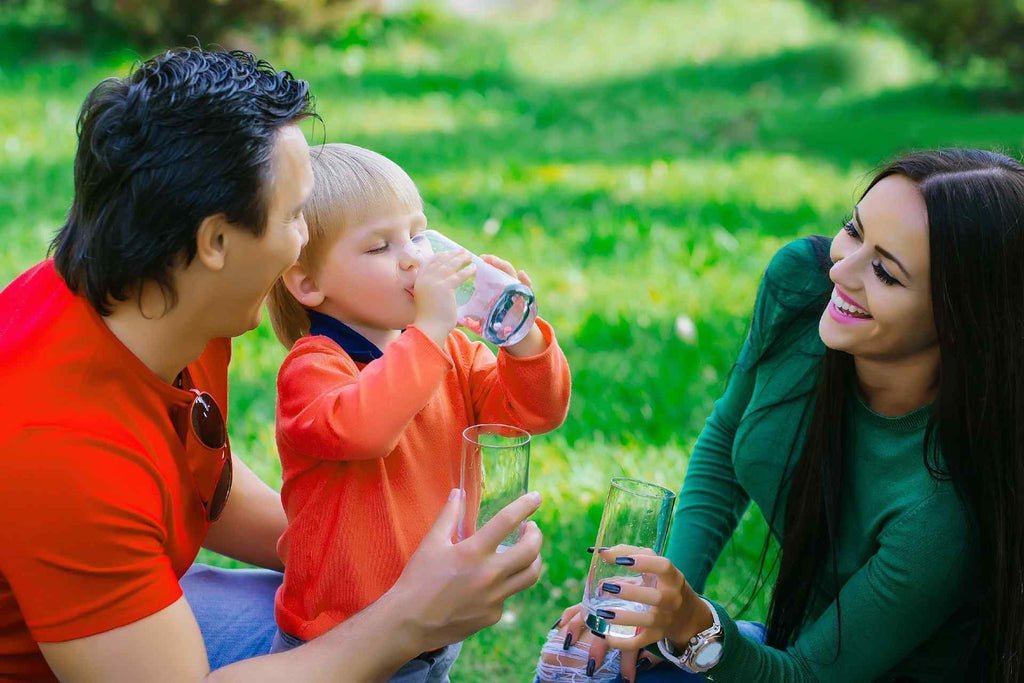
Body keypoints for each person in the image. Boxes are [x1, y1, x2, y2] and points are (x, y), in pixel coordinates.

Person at [0, 47, 544, 682]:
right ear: (215, 242)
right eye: (294, 217)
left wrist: (356, 558)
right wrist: (407, 617)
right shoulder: (61, 449)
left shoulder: (155, 296)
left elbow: (198, 481)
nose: (302, 244)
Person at [539, 149, 1024, 682]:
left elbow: (806, 677)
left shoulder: (940, 513)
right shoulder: (801, 288)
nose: (842, 268)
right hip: (788, 653)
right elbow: (728, 440)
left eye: (885, 271)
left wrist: (695, 629)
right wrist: (659, 601)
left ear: (961, 319)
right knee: (591, 667)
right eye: (853, 230)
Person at [263, 142, 572, 681]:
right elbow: (367, 429)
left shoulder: (450, 351)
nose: (413, 256)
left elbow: (533, 412)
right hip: (340, 635)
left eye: (417, 233)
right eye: (380, 247)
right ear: (308, 284)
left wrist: (519, 339)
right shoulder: (313, 369)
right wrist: (429, 330)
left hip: (436, 618)